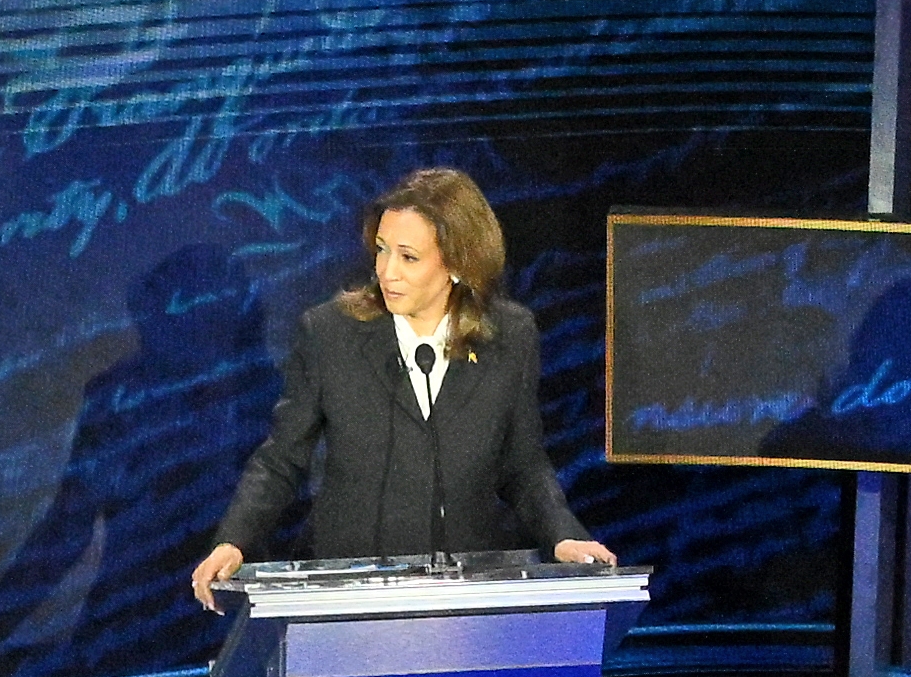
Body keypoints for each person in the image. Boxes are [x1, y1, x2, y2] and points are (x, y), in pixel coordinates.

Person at [186, 168, 618, 608]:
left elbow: (523, 464)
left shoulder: (510, 334)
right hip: (349, 590)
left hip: (468, 592)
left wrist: (563, 535)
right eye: (381, 251)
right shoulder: (331, 332)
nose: (387, 272)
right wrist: (234, 541)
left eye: (408, 257)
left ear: (457, 262)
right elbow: (282, 459)